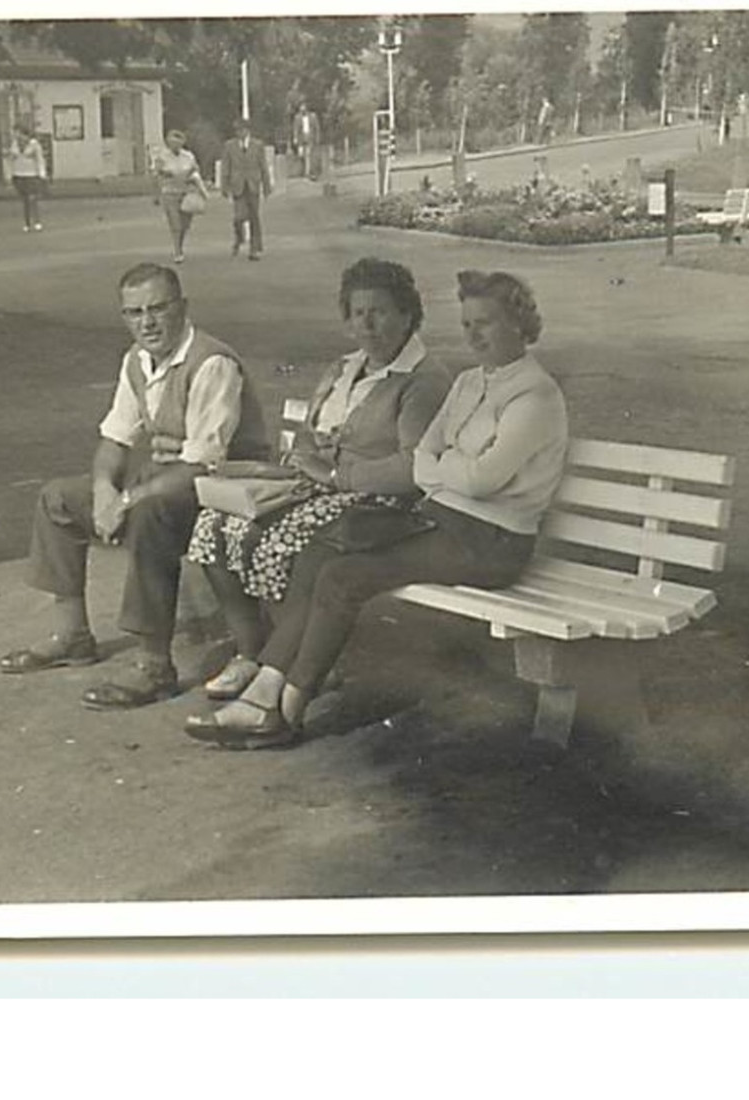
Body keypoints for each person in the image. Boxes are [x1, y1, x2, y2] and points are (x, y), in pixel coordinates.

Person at [185, 269, 569, 749]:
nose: (474, 335)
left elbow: (479, 478)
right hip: (443, 521)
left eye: (486, 322)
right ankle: (267, 688)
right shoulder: (471, 382)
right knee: (321, 555)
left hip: (492, 542)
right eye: (468, 324)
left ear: (520, 323)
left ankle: (284, 707)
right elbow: (432, 456)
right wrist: (448, 465)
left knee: (346, 578)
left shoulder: (535, 395)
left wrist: (441, 466)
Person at [0, 263, 271, 711]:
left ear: (182, 308)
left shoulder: (212, 362)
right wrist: (106, 489)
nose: (147, 322)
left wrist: (127, 500)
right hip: (168, 484)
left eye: (158, 309)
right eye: (134, 312)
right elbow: (114, 439)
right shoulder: (136, 361)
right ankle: (72, 636)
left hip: (226, 490)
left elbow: (203, 463)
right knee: (58, 498)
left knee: (149, 512)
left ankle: (154, 666)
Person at [184, 257, 451, 702]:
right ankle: (252, 652)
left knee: (286, 538)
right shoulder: (344, 368)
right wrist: (308, 457)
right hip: (320, 490)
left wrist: (335, 473)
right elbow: (308, 435)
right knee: (214, 527)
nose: (367, 323)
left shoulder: (422, 381)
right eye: (357, 312)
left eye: (380, 311)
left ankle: (286, 661)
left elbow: (413, 469)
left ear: (407, 314)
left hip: (381, 504)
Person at [152, 129, 210, 264]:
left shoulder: (188, 156)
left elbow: (196, 172)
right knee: (175, 224)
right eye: (172, 143)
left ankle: (180, 244)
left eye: (178, 143)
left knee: (185, 224)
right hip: (169, 193)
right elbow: (156, 175)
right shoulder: (162, 157)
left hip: (186, 193)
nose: (175, 146)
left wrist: (199, 188)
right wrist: (156, 194)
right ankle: (178, 251)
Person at [221, 117, 271, 260]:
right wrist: (224, 186)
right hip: (238, 185)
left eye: (242, 130)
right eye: (237, 130)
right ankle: (239, 236)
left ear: (248, 130)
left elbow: (263, 166)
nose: (239, 133)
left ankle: (255, 249)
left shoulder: (257, 145)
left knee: (254, 217)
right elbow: (226, 167)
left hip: (253, 184)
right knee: (239, 217)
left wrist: (266, 186)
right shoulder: (229, 146)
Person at [8, 125, 48, 232]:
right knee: (24, 200)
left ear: (24, 133)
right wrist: (11, 174)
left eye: (17, 132)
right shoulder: (14, 144)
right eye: (15, 133)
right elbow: (11, 159)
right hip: (19, 174)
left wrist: (42, 174)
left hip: (31, 174)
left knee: (32, 198)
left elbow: (40, 159)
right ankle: (27, 223)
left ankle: (37, 221)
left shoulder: (34, 144)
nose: (16, 135)